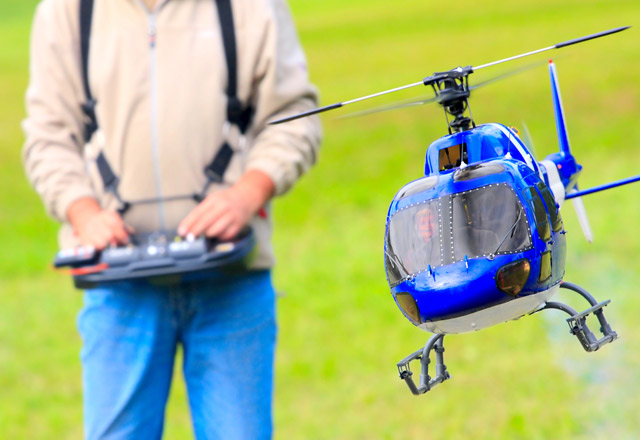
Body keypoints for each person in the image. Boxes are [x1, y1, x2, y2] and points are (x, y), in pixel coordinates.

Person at [22, 0, 321, 438]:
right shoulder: (65, 11)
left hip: (232, 278)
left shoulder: (252, 7)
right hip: (117, 288)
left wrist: (246, 193)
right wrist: (82, 212)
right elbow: (48, 136)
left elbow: (295, 119)